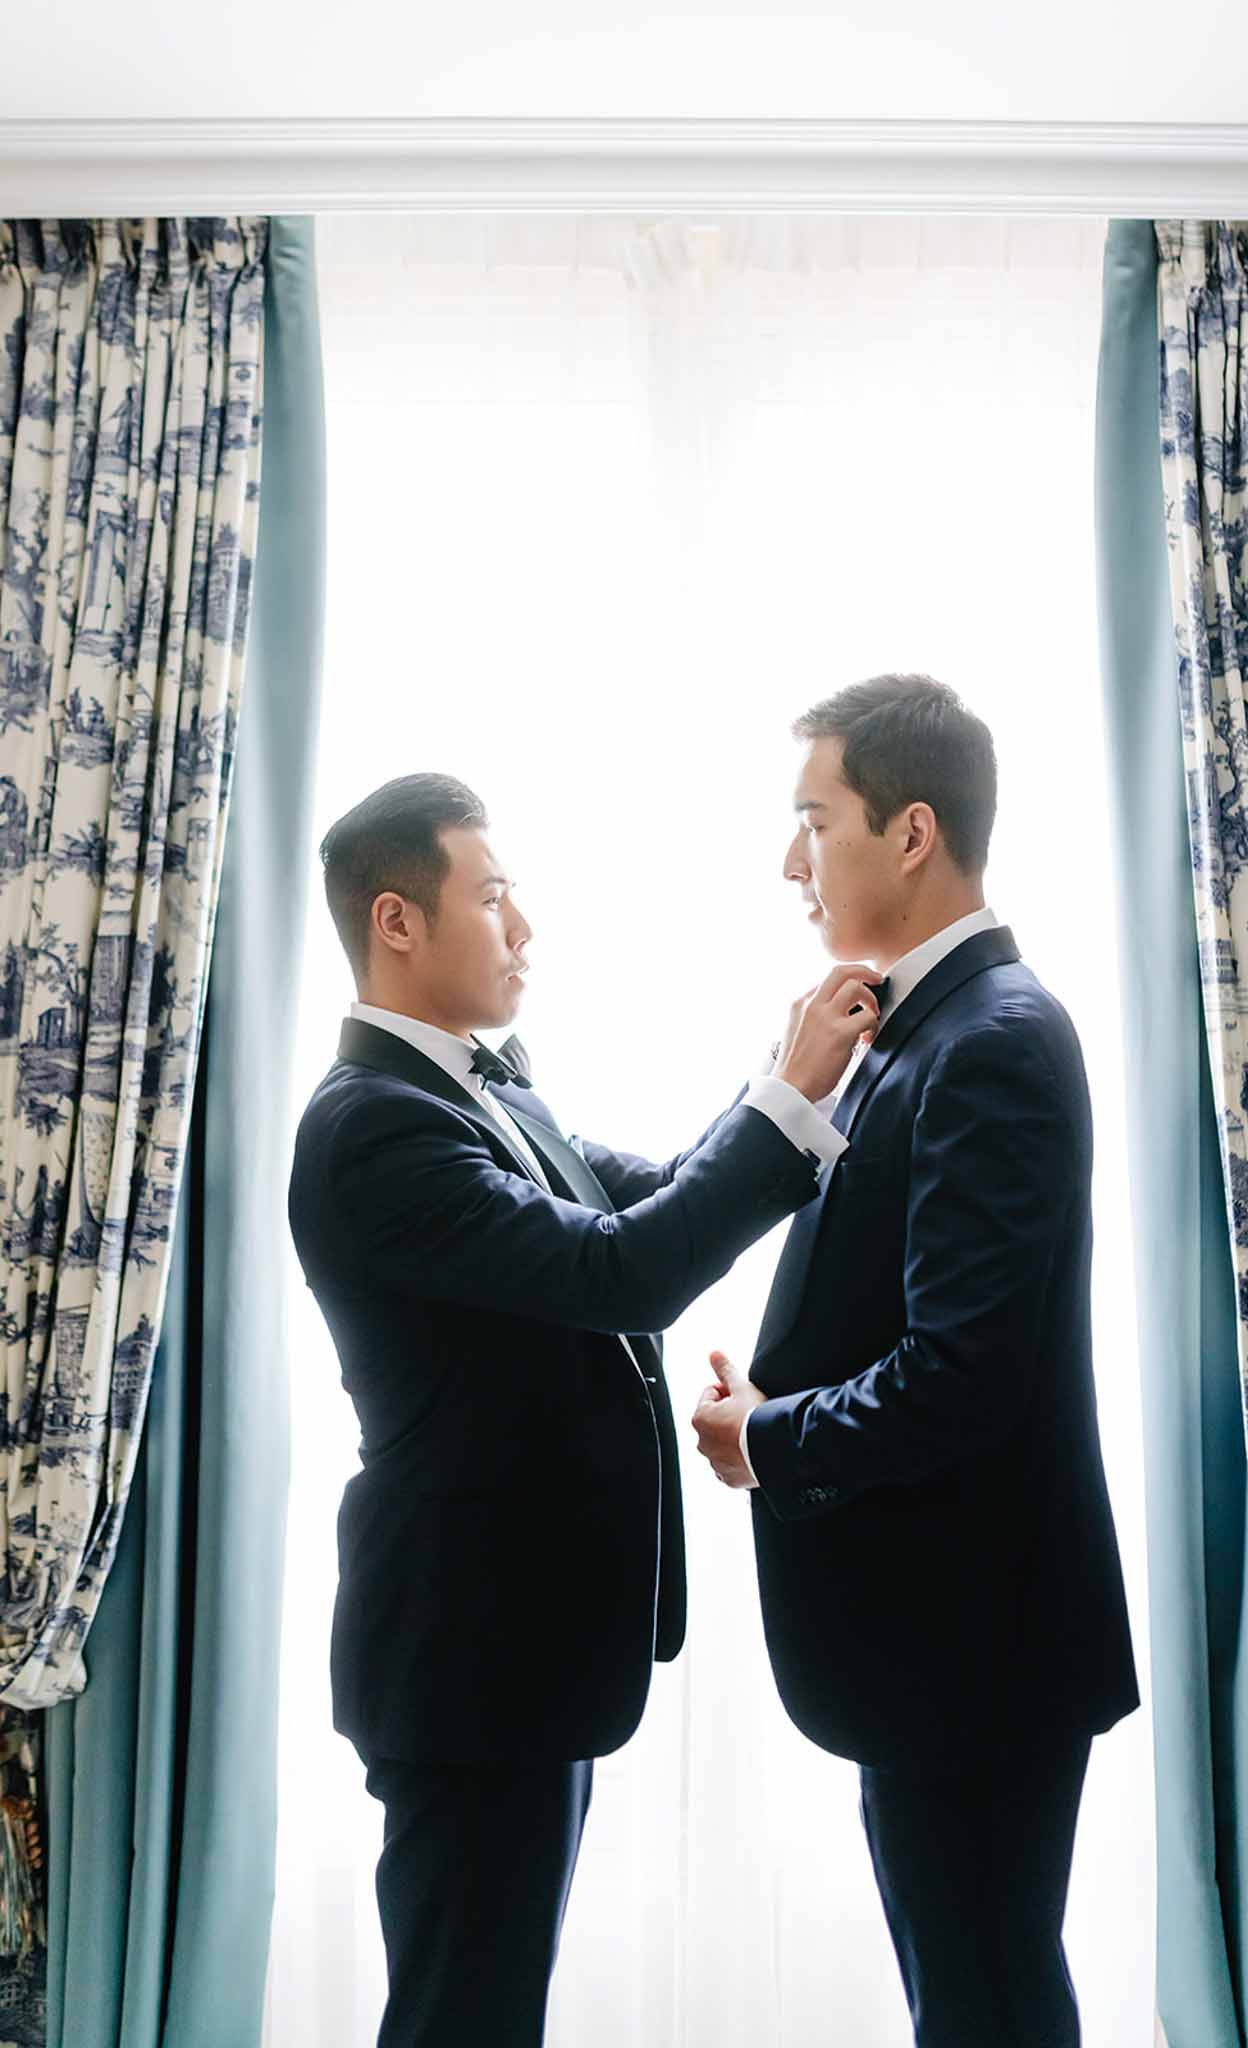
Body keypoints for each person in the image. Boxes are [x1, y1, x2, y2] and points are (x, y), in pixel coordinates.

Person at [287, 772, 877, 2048]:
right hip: (465, 1661)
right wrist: (790, 1090)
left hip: (518, 1651)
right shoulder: (373, 1131)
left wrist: (791, 1074)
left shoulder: (481, 1095)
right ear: (398, 921)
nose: (524, 926)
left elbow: (655, 1196)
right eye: (492, 895)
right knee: (463, 2014)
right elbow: (626, 1272)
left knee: (488, 2005)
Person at [693, 674, 1139, 2048]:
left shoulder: (994, 1041)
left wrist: (765, 1441)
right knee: (967, 1994)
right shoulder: (902, 1035)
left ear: (909, 833)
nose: (787, 860)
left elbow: (961, 1374)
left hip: (976, 1648)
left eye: (810, 819)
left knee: (987, 2000)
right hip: (931, 1641)